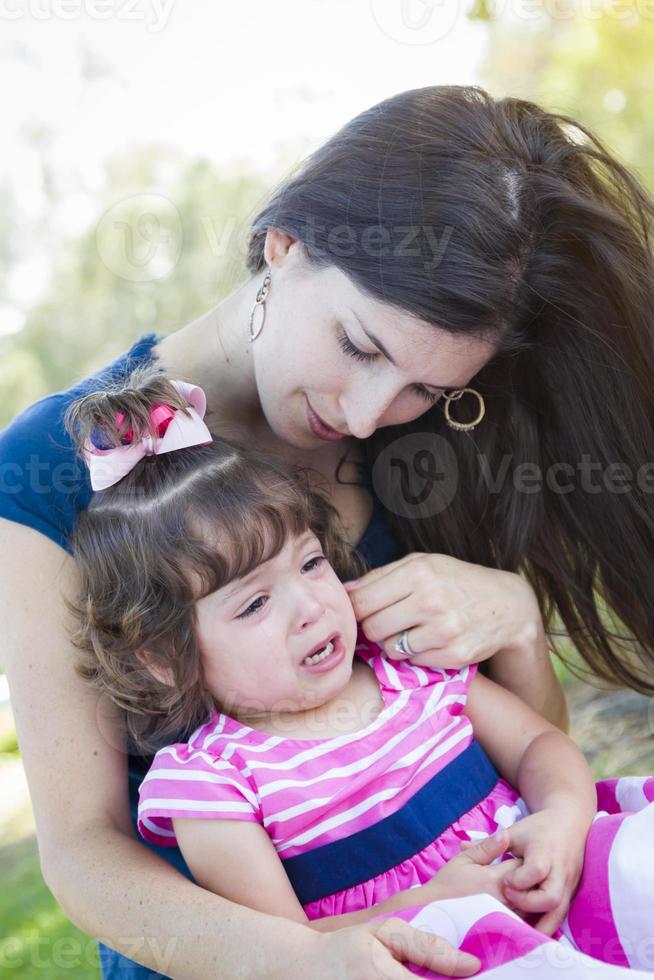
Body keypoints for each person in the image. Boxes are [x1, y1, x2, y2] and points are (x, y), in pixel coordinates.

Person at [2, 83, 653, 977]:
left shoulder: (438, 432)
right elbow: (82, 852)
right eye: (359, 345)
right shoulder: (51, 465)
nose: (371, 412)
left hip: (500, 916)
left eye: (427, 388)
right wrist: (310, 961)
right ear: (286, 245)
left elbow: (518, 757)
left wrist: (517, 621)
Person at [67, 370, 654, 978]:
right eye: (254, 604)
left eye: (312, 561)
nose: (311, 606)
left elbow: (539, 743)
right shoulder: (216, 783)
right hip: (435, 957)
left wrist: (561, 817)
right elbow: (284, 947)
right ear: (162, 658)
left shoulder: (407, 670)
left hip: (561, 881)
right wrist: (427, 903)